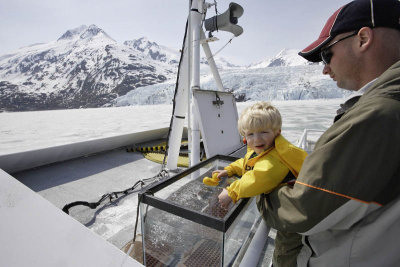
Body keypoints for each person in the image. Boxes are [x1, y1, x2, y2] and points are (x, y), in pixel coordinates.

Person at [256, 0, 400, 266]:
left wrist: (261, 189)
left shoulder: (380, 113)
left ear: (363, 39)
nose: (324, 68)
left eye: (326, 54)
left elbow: (304, 209)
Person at [204, 101, 308, 266]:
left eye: (263, 132)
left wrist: (232, 191)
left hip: (294, 215)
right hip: (284, 205)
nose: (256, 139)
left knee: (286, 249)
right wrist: (230, 170)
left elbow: (260, 177)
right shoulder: (259, 149)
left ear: (277, 132)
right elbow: (247, 162)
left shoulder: (275, 159)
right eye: (250, 134)